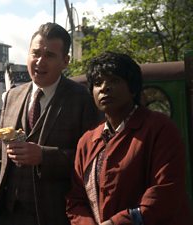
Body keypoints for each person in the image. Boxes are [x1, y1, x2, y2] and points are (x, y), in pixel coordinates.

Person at [0, 22, 101, 225]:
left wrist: (44, 156)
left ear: (66, 61)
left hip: (54, 215)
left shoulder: (82, 99)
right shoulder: (12, 96)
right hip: (7, 215)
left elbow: (94, 161)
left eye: (49, 56)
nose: (40, 61)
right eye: (35, 53)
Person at [66, 51, 193, 225]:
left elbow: (166, 192)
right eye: (97, 83)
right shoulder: (87, 141)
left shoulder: (159, 128)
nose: (104, 87)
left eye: (114, 81)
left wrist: (116, 223)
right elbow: (76, 200)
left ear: (133, 88)